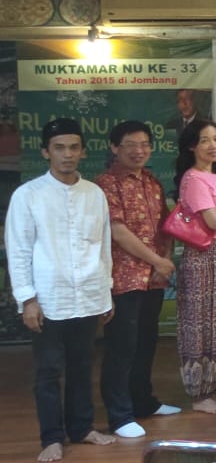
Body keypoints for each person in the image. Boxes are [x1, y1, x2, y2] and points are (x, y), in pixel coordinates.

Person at [8, 119, 118, 461]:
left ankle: (82, 428)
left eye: (73, 147)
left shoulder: (94, 193)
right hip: (48, 298)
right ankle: (52, 437)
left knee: (83, 367)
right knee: (49, 371)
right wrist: (27, 299)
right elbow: (19, 249)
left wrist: (106, 292)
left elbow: (104, 246)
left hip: (88, 294)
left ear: (83, 151)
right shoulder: (28, 196)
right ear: (46, 152)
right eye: (59, 148)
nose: (67, 154)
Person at [95, 121, 181, 439]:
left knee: (146, 343)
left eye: (145, 143)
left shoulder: (152, 181)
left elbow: (164, 226)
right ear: (115, 147)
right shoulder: (105, 183)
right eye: (131, 144)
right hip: (124, 278)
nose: (139, 150)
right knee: (122, 347)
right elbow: (117, 231)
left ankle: (144, 402)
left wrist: (164, 261)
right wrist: (157, 260)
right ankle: (120, 415)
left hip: (154, 279)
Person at [174, 120, 216, 414]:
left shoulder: (214, 175)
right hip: (203, 256)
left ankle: (215, 388)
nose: (214, 146)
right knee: (200, 323)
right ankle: (199, 395)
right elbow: (213, 221)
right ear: (192, 146)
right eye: (205, 140)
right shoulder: (194, 178)